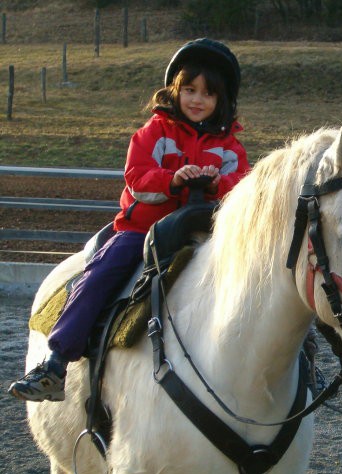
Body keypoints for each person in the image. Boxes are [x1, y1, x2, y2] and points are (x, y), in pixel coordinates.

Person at [9, 38, 250, 402]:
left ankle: (300, 358)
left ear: (221, 101)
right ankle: (57, 362)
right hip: (144, 230)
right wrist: (172, 179)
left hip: (208, 232)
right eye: (190, 89)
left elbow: (243, 188)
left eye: (208, 93)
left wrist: (220, 183)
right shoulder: (154, 132)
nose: (197, 100)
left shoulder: (231, 148)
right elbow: (137, 177)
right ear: (175, 91)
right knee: (103, 274)